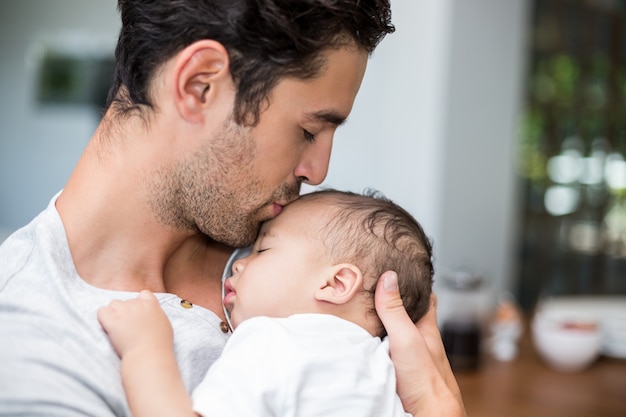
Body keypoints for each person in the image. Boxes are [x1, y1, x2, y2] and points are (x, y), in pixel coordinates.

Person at [0, 1, 466, 416]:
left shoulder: (295, 243)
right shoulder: (34, 355)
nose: (319, 171)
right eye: (308, 131)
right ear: (200, 85)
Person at [98, 189, 434, 417]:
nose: (239, 263)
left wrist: (145, 349)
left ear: (335, 283)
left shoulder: (273, 342)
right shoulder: (386, 370)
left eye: (262, 250)